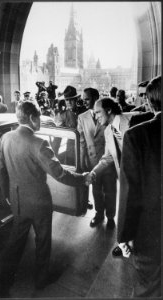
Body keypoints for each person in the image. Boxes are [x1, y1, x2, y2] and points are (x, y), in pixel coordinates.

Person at [0, 100, 90, 297]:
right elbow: (60, 174)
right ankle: (41, 280)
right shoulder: (39, 144)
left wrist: (8, 196)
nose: (40, 121)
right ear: (32, 118)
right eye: (38, 117)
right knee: (43, 241)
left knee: (15, 242)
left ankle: (3, 284)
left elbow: (0, 171)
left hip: (18, 201)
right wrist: (83, 179)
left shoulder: (5, 138)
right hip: (40, 203)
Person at [117, 75, 161, 297]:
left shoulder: (136, 136)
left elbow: (129, 194)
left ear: (151, 103)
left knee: (147, 289)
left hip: (150, 233)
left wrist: (123, 236)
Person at [86, 98, 136, 255]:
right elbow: (107, 157)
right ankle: (127, 244)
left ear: (109, 110)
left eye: (98, 112)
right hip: (126, 178)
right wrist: (93, 173)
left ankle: (132, 246)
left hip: (142, 177)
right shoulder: (108, 131)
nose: (96, 117)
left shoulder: (133, 120)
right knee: (128, 211)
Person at [77, 89, 117, 228]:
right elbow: (82, 141)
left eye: (87, 99)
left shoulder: (106, 114)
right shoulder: (82, 117)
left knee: (110, 190)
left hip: (108, 159)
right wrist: (82, 161)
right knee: (96, 190)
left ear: (96, 98)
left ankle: (110, 217)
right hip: (92, 160)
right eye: (83, 99)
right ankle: (99, 214)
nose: (84, 102)